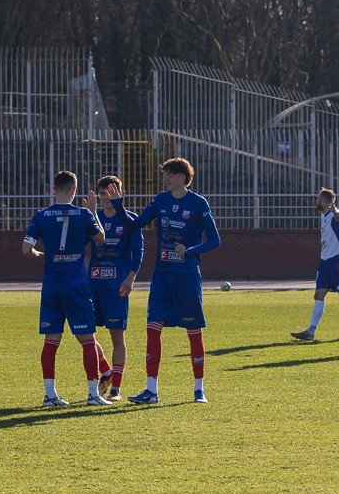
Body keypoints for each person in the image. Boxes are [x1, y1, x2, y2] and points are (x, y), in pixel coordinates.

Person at [123, 156, 222, 404]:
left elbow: (215, 240)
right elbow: (136, 224)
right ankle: (151, 390)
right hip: (162, 276)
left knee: (193, 331)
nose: (166, 178)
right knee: (152, 329)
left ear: (183, 177)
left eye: (171, 174)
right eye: (165, 173)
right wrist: (117, 205)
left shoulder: (198, 203)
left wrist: (189, 251)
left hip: (187, 276)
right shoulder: (160, 200)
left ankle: (199, 390)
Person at [23, 171, 108, 406]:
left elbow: (25, 250)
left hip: (51, 285)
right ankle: (93, 394)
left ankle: (50, 395)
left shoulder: (41, 215)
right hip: (76, 285)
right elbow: (101, 238)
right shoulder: (83, 214)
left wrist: (41, 254)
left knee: (51, 340)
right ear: (74, 190)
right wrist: (93, 212)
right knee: (88, 339)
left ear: (53, 190)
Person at [86, 174, 142, 401]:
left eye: (111, 192)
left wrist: (131, 278)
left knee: (117, 337)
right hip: (93, 284)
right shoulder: (93, 218)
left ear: (121, 194)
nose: (106, 197)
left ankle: (116, 389)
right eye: (102, 193)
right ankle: (106, 370)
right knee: (84, 333)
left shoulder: (130, 219)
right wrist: (90, 214)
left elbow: (138, 251)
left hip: (117, 285)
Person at [290, 188, 339, 341]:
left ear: (324, 201)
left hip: (336, 260)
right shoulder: (323, 216)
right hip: (324, 262)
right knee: (319, 294)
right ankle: (310, 331)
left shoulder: (338, 214)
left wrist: (335, 211)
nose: (316, 201)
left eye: (318, 198)